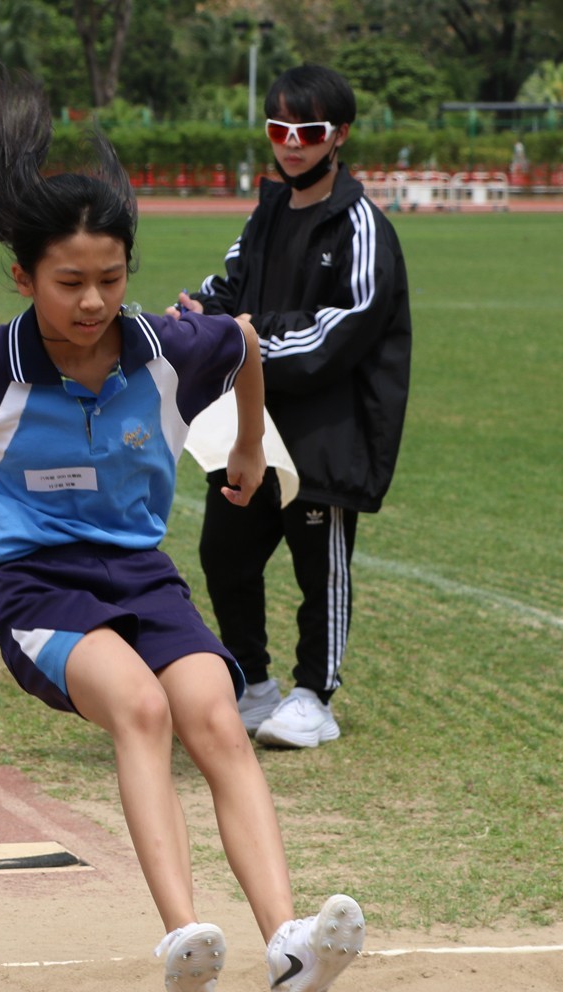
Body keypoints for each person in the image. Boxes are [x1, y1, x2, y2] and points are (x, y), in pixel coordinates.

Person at [0, 58, 365, 992]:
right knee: (142, 708)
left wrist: (248, 446)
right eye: (70, 283)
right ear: (23, 277)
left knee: (217, 714)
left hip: (141, 578)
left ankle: (289, 946)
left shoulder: (166, 348)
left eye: (111, 279)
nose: (93, 302)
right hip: (40, 591)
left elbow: (244, 341)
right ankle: (183, 940)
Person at [175, 64, 412, 750]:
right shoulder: (267, 212)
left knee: (320, 567)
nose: (291, 143)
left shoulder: (362, 227)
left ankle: (315, 695)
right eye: (279, 128)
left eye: (307, 131)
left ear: (340, 135)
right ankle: (253, 686)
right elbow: (227, 286)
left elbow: (341, 330)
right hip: (251, 425)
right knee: (224, 554)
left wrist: (244, 340)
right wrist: (200, 315)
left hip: (326, 430)